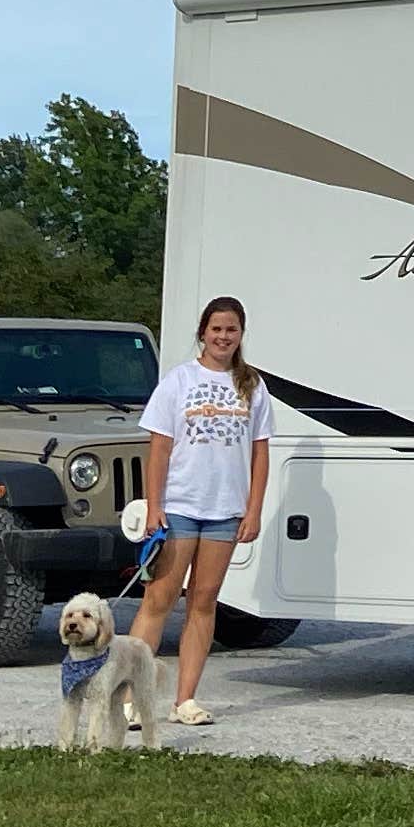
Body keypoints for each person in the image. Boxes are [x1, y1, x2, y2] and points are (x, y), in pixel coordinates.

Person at [131, 294, 275, 727]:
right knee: (159, 598)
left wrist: (253, 510)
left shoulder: (252, 385)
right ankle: (131, 699)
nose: (223, 337)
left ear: (241, 335)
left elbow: (260, 453)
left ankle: (185, 700)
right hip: (179, 506)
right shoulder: (179, 381)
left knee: (204, 602)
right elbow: (158, 449)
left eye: (231, 330)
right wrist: (155, 506)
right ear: (203, 332)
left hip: (224, 511)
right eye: (216, 329)